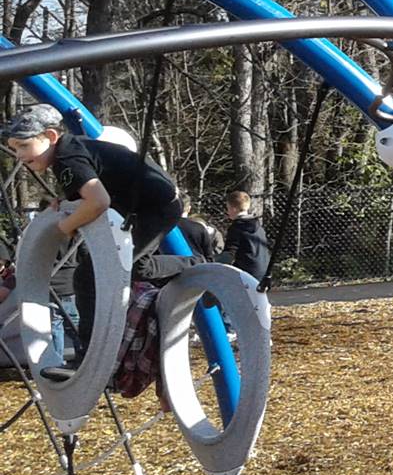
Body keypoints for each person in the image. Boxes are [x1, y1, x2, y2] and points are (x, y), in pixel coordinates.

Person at [2, 104, 184, 363]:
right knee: (137, 266)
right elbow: (93, 181)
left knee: (87, 276)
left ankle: (90, 357)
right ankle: (192, 265)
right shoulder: (69, 152)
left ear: (51, 137)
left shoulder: (67, 157)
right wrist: (64, 201)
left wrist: (63, 228)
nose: (18, 155)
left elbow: (98, 201)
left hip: (154, 206)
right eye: (13, 148)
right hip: (146, 202)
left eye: (23, 145)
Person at [223, 190, 271, 285]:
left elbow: (230, 252)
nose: (227, 212)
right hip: (263, 271)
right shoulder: (258, 227)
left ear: (234, 209)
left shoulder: (237, 227)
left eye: (228, 208)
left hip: (246, 273)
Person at [177, 194, 220, 261]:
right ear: (189, 209)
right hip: (195, 266)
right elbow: (208, 256)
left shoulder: (164, 227)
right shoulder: (199, 228)